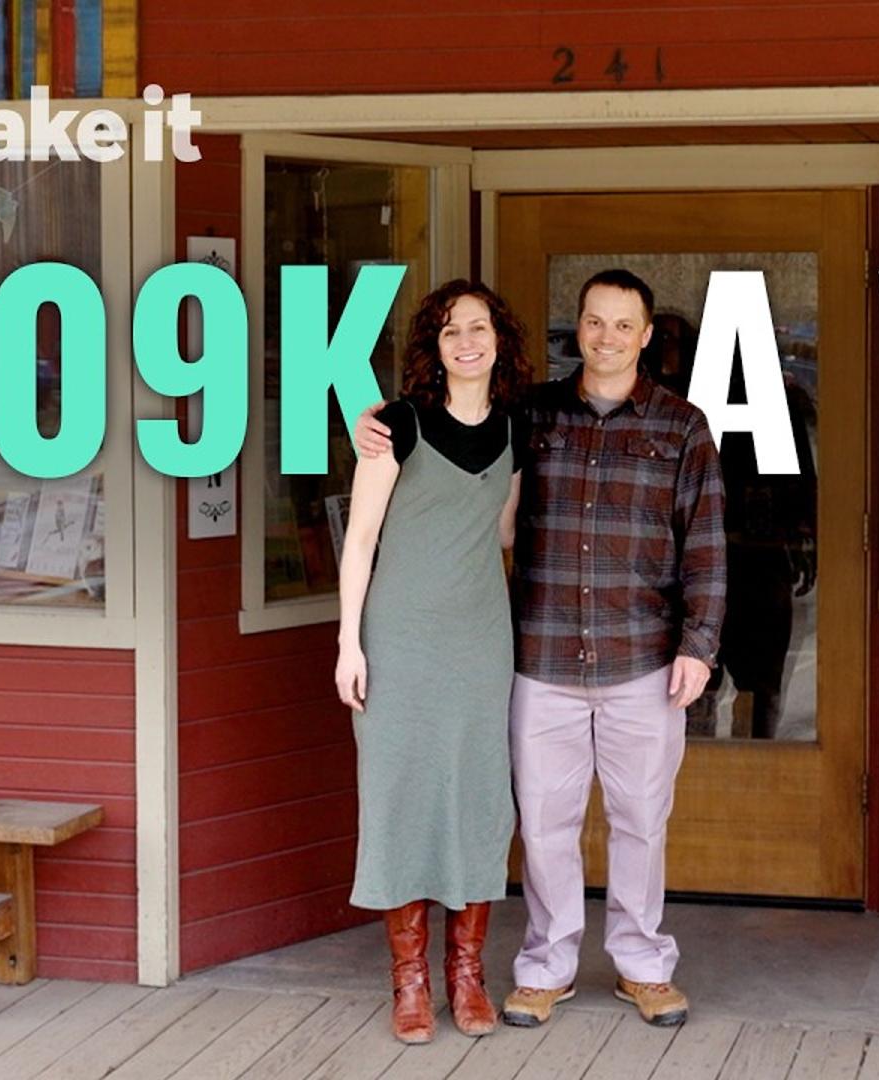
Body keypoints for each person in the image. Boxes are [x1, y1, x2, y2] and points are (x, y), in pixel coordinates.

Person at [357, 269, 726, 1030]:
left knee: (640, 819)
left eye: (623, 325)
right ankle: (546, 966)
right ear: (576, 328)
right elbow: (457, 423)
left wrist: (699, 644)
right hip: (543, 658)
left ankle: (643, 965)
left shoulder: (681, 426)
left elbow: (707, 545)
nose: (606, 337)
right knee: (544, 824)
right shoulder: (532, 414)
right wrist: (376, 423)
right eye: (594, 321)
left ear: (646, 336)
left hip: (642, 656)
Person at [334, 279, 532, 1044]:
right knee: (401, 795)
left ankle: (467, 973)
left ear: (499, 340)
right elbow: (360, 540)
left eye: (478, 327)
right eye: (450, 331)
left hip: (480, 642)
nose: (466, 342)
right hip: (400, 640)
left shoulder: (514, 428)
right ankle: (411, 980)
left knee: (478, 796)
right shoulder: (397, 426)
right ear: (434, 347)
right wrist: (348, 642)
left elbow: (504, 532)